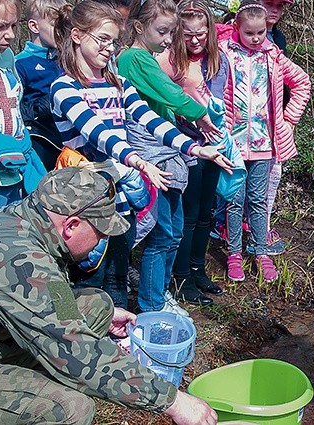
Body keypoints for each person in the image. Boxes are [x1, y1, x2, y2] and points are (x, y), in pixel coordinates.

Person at [0, 167, 218, 425]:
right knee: (70, 408)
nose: (102, 241)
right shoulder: (21, 258)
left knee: (98, 306)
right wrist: (173, 401)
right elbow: (75, 349)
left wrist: (102, 319)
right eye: (100, 232)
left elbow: (51, 302)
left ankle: (43, 380)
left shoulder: (25, 222)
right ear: (71, 225)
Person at [51, 0, 231, 313]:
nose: (109, 49)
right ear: (78, 37)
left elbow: (151, 119)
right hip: (82, 196)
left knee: (118, 276)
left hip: (119, 194)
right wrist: (138, 161)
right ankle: (79, 342)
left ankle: (119, 338)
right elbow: (98, 133)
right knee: (88, 277)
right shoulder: (64, 87)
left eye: (113, 41)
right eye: (102, 39)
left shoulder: (118, 83)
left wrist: (193, 147)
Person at [117, 0, 230, 316]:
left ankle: (161, 291)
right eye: (163, 31)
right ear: (139, 28)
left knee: (174, 230)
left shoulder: (146, 57)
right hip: (152, 156)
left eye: (171, 32)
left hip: (168, 151)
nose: (169, 40)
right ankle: (152, 302)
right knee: (162, 232)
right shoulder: (134, 59)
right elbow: (168, 92)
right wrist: (200, 114)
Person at [219, 0, 310, 283]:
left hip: (264, 144)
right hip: (232, 143)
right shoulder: (224, 54)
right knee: (234, 201)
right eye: (250, 33)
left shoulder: (273, 55)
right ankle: (234, 253)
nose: (256, 39)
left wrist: (288, 120)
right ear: (238, 28)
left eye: (261, 33)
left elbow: (303, 82)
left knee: (258, 200)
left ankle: (261, 251)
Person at [158, 0, 229, 306]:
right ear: (178, 34)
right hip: (185, 146)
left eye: (201, 33)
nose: (195, 39)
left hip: (213, 142)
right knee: (186, 216)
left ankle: (198, 270)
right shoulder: (169, 61)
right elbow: (163, 103)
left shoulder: (218, 60)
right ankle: (182, 277)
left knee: (206, 213)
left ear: (210, 31)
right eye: (188, 34)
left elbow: (221, 102)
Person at [0, 0, 46, 217]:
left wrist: (22, 140)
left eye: (13, 26)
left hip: (14, 173)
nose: (11, 35)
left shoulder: (7, 57)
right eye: (0, 26)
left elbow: (13, 104)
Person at [15, 0, 67, 171]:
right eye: (55, 25)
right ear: (34, 26)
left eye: (63, 26)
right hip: (40, 143)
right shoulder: (19, 64)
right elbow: (16, 111)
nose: (61, 32)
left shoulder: (66, 61)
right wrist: (43, 106)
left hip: (67, 143)